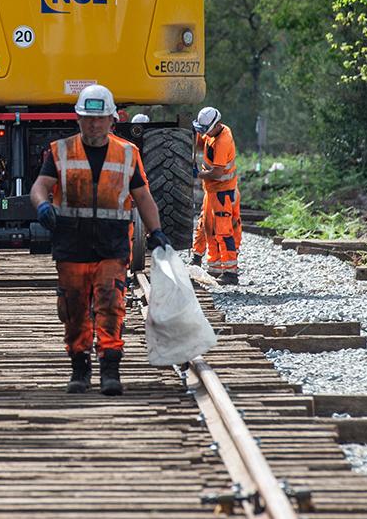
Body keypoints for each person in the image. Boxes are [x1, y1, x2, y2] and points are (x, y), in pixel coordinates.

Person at [29, 85, 172, 396]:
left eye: (99, 119)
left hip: (111, 246)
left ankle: (110, 370)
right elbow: (40, 186)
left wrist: (155, 231)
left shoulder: (127, 154)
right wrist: (41, 204)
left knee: (111, 305)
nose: (93, 124)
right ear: (78, 119)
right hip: (71, 245)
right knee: (74, 309)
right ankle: (79, 369)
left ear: (111, 120)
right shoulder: (60, 151)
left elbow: (143, 197)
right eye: (87, 119)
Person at [191, 106, 241, 285]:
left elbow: (218, 172)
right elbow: (201, 142)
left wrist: (197, 174)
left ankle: (230, 273)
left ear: (216, 124)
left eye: (206, 130)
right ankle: (214, 267)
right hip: (213, 190)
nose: (204, 133)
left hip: (222, 191)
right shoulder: (215, 133)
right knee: (207, 226)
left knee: (223, 230)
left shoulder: (222, 142)